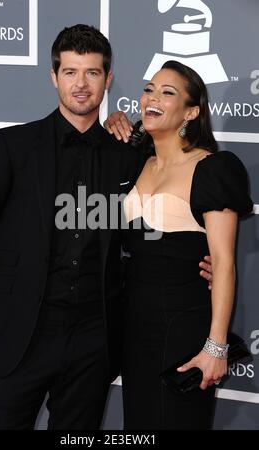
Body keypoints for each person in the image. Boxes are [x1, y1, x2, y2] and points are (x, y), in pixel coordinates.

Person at [0, 25, 212, 430]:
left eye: (92, 73)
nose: (81, 84)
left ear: (108, 79)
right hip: (23, 330)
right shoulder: (12, 145)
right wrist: (15, 276)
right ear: (53, 77)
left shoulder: (127, 155)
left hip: (95, 338)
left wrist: (202, 267)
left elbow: (158, 222)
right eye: (70, 72)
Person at [104, 60, 253, 429]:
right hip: (134, 322)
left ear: (191, 111)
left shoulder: (214, 168)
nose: (152, 98)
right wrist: (111, 124)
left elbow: (223, 263)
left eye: (167, 93)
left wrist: (216, 347)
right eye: (149, 89)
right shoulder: (135, 161)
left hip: (184, 324)